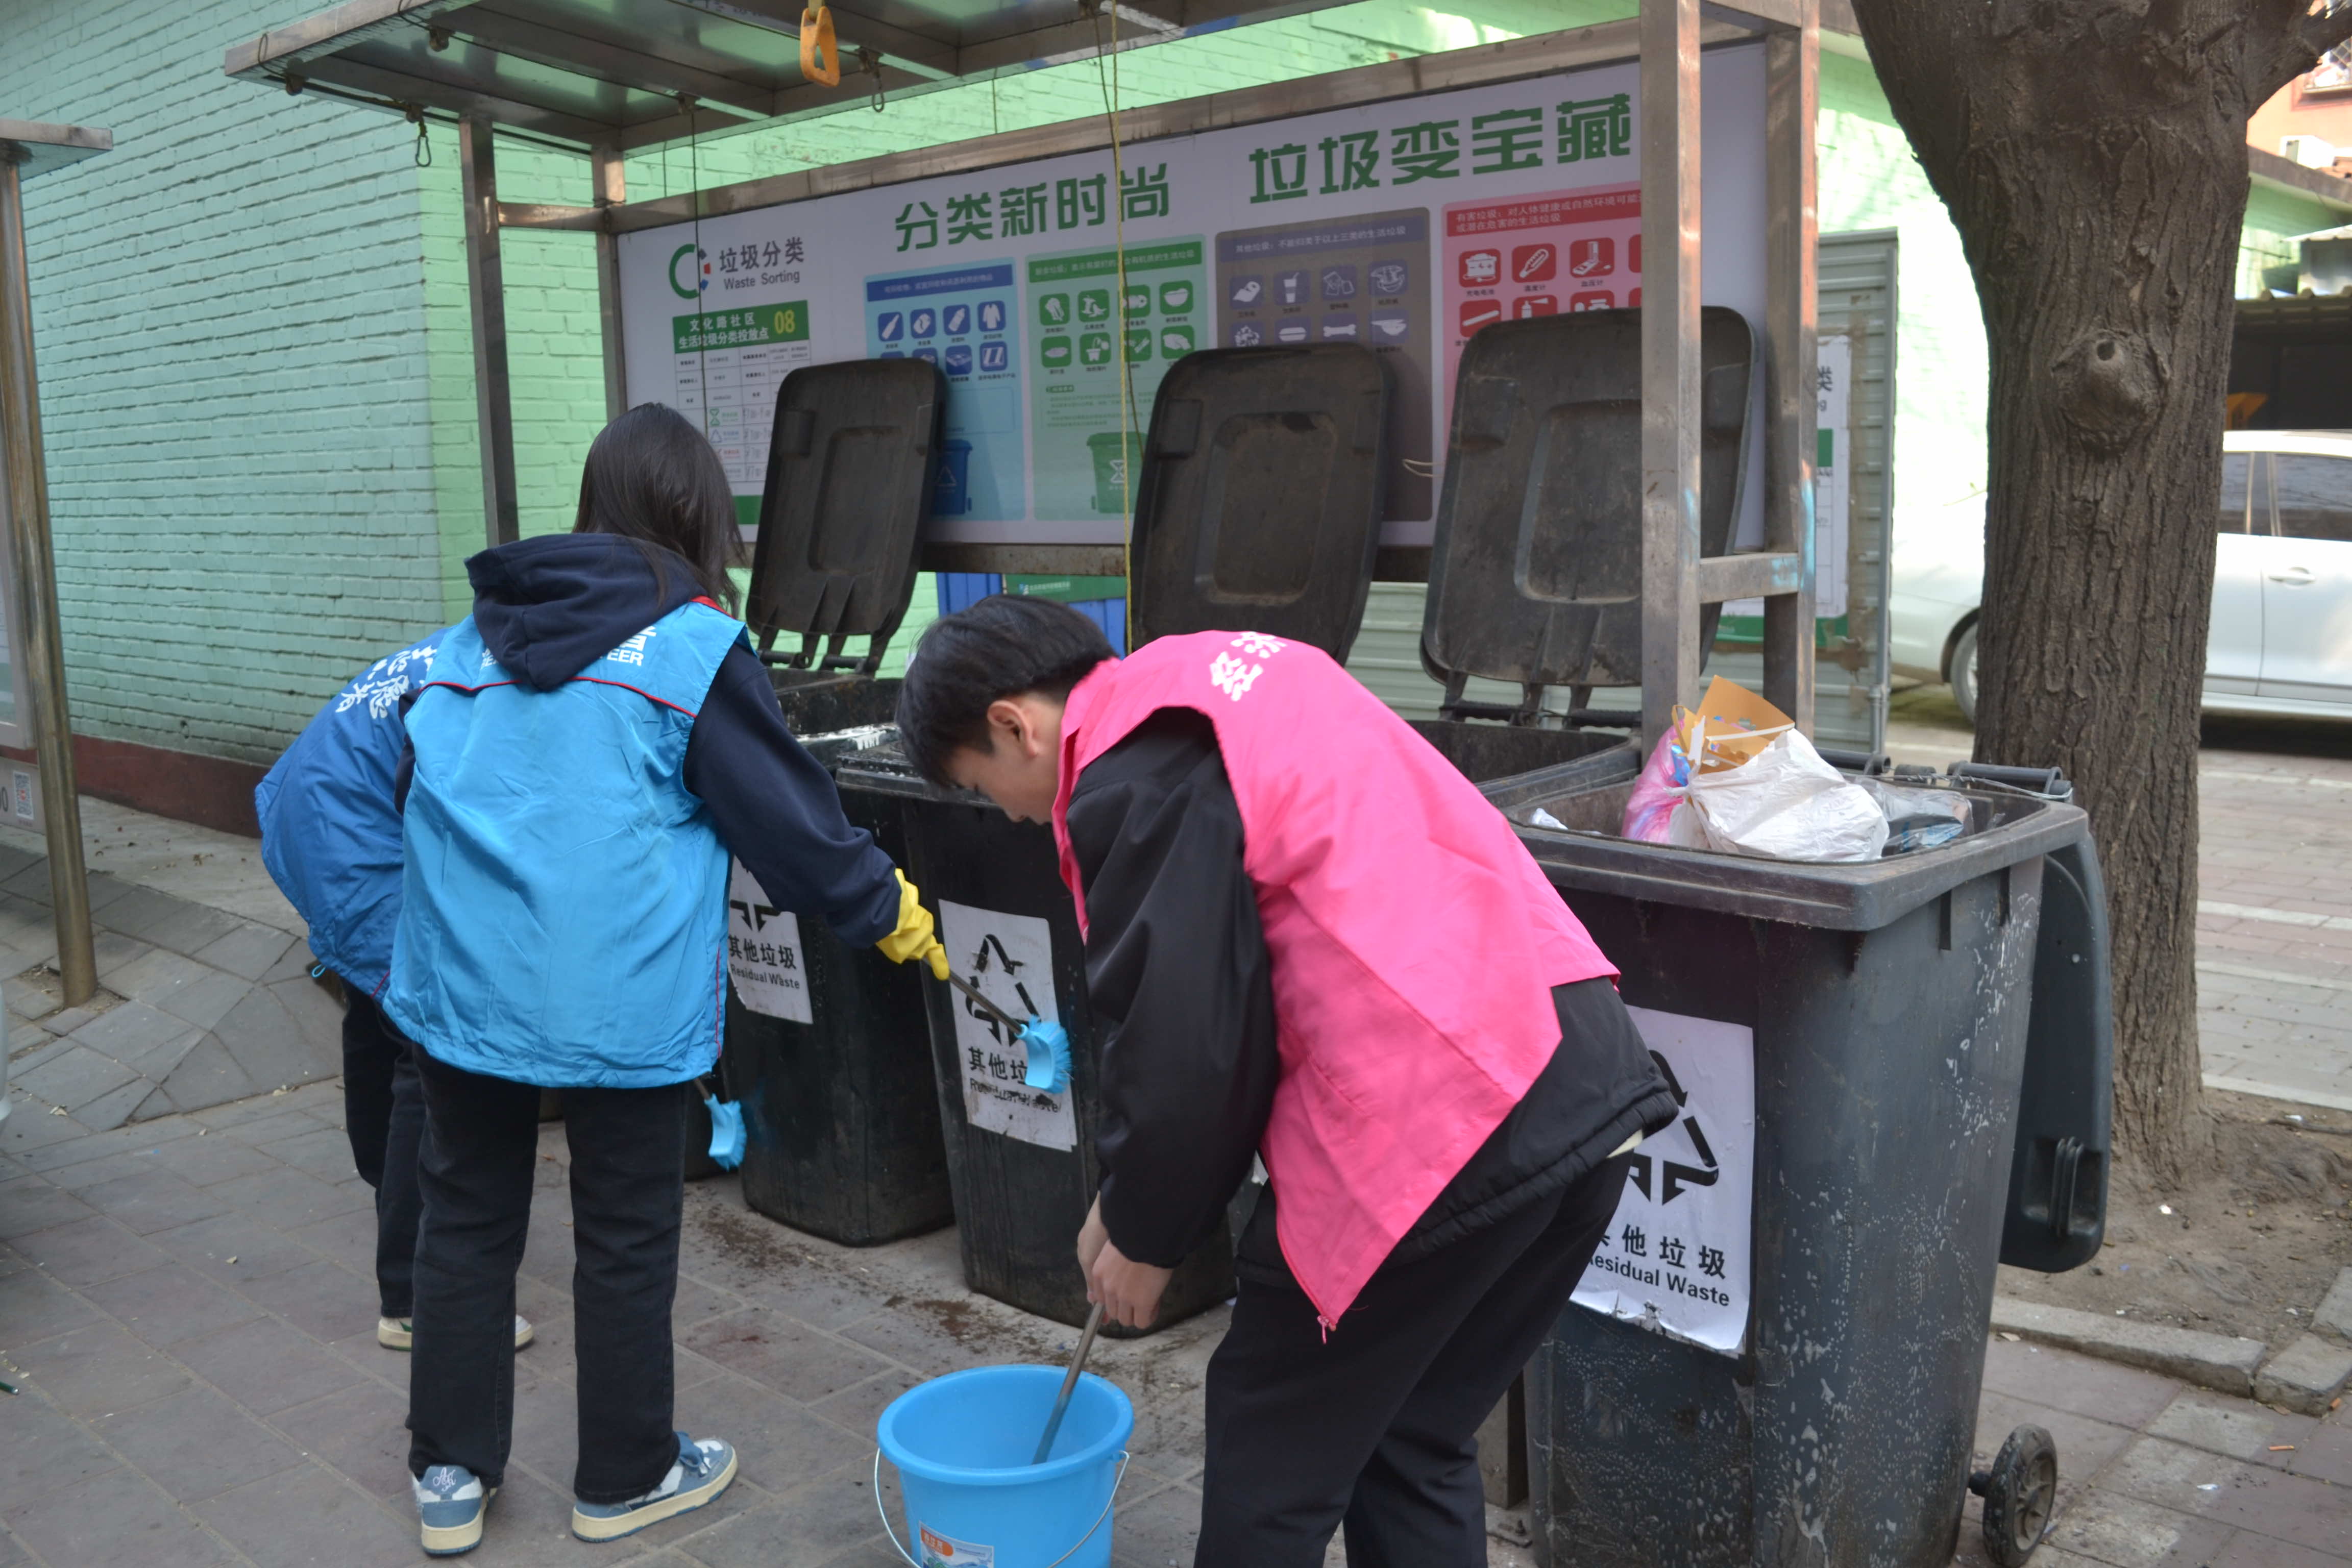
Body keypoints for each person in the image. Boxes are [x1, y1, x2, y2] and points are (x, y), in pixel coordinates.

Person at [895, 597, 1677, 1568]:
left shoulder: (1132, 767)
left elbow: (1191, 1042)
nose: (1013, 814)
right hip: (1579, 1081)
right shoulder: (1226, 678)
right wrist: (1134, 1200)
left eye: (987, 786)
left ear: (1013, 723)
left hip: (1437, 1129)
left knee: (1273, 1465)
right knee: (1413, 1436)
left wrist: (1145, 1231)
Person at [383, 404, 948, 1557]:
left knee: (467, 1224)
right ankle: (626, 1474)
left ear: (594, 506)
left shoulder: (464, 645)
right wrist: (888, 910)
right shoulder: (691, 650)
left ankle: (449, 1476)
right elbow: (787, 820)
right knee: (626, 1235)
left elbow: (423, 793)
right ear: (696, 518)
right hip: (617, 1004)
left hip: (461, 997)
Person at [255, 636, 537, 1358]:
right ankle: (413, 1297)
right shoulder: (516, 674)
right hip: (355, 834)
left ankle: (394, 1198)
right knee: (426, 1046)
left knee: (378, 1013)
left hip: (312, 804)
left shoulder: (482, 637)